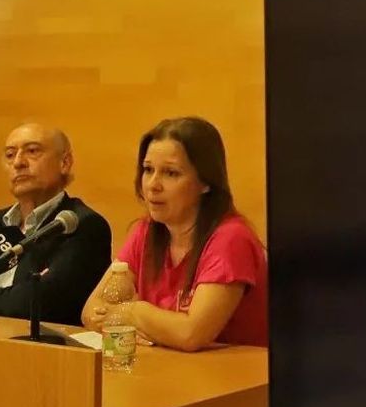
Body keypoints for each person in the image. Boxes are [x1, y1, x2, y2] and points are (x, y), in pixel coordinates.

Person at [81, 117, 267, 349]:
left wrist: (135, 312)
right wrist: (135, 324)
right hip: (168, 369)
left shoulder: (232, 238)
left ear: (206, 182)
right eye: (148, 170)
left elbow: (190, 334)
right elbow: (91, 310)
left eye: (171, 173)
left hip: (237, 379)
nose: (153, 185)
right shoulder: (145, 232)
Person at [0, 123, 111, 325]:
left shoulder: (81, 225)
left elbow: (42, 303)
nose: (18, 162)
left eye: (32, 151)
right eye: (10, 155)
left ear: (65, 162)